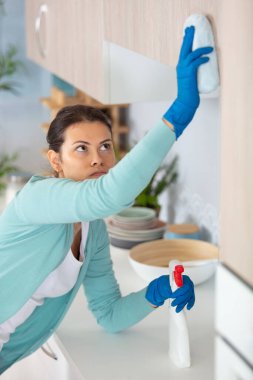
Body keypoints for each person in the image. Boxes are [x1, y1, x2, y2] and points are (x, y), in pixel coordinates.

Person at [0, 26, 213, 373]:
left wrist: (156, 292)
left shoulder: (93, 233)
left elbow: (109, 314)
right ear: (56, 161)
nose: (98, 158)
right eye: (81, 149)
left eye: (105, 147)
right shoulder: (36, 199)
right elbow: (109, 195)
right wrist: (179, 112)